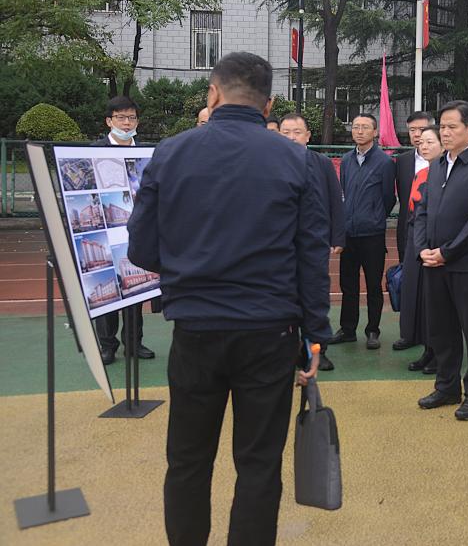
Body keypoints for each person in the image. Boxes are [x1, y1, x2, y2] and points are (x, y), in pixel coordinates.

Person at [127, 51, 331, 546]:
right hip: (269, 331)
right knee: (259, 462)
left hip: (195, 329)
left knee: (188, 459)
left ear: (213, 93)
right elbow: (312, 255)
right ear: (269, 104)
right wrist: (316, 336)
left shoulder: (171, 152)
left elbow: (141, 249)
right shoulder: (297, 160)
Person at [414, 101, 468, 421]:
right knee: (441, 329)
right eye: (442, 126)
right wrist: (422, 248)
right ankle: (447, 386)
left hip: (467, 265)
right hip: (433, 262)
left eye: (452, 126)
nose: (445, 132)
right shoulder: (437, 164)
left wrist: (447, 252)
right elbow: (422, 210)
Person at [280, 112, 345, 372]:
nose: (291, 137)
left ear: (308, 136)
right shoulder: (270, 162)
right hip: (280, 247)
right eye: (285, 132)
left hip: (313, 246)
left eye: (297, 132)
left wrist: (337, 236)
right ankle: (289, 351)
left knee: (314, 300)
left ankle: (318, 351)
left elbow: (335, 200)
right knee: (284, 301)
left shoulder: (322, 163)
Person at [93, 95, 154, 365]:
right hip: (107, 231)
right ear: (109, 121)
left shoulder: (146, 155)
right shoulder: (95, 151)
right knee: (109, 291)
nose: (126, 123)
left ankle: (133, 342)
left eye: (131, 118)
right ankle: (107, 345)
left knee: (135, 288)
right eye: (120, 118)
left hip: (137, 231)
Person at [329, 113, 396, 350]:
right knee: (348, 285)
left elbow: (388, 197)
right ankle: (347, 329)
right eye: (356, 126)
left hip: (372, 234)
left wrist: (374, 216)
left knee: (373, 284)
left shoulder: (385, 162)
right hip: (349, 233)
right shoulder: (347, 160)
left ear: (375, 132)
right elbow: (344, 192)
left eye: (365, 127)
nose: (359, 131)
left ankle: (373, 330)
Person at [400, 125, 445, 374]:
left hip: (435, 243)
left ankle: (440, 353)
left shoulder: (447, 173)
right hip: (415, 242)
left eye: (430, 142)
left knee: (436, 302)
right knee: (417, 298)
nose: (424, 146)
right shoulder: (421, 173)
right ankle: (427, 349)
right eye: (422, 142)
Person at [393, 110, 436, 351]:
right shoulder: (403, 161)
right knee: (409, 284)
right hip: (408, 231)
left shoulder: (443, 164)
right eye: (412, 130)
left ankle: (430, 337)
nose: (417, 135)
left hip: (434, 236)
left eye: (422, 130)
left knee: (431, 288)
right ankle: (408, 333)